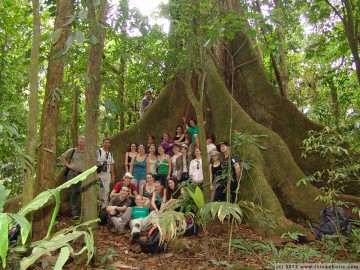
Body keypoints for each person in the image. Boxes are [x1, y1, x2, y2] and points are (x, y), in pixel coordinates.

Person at [61, 135, 86, 219]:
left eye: (83, 142)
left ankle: (80, 211)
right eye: (80, 142)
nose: (81, 144)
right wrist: (68, 165)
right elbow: (63, 157)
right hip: (73, 174)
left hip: (84, 174)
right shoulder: (72, 150)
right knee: (74, 192)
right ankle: (74, 213)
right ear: (77, 142)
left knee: (80, 192)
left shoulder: (87, 151)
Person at [97, 138, 115, 208]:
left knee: (107, 190)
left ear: (110, 144)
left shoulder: (110, 153)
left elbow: (111, 165)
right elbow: (94, 163)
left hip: (107, 174)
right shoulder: (99, 151)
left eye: (108, 142)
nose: (106, 144)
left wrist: (113, 176)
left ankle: (104, 207)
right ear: (103, 143)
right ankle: (99, 205)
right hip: (99, 174)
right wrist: (95, 174)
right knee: (100, 190)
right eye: (105, 142)